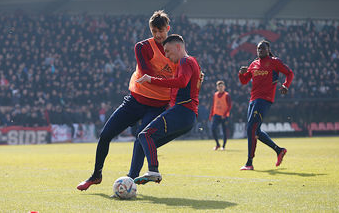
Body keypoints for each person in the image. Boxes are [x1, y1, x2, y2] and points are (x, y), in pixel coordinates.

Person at [77, 10, 177, 191]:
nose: (158, 35)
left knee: (141, 138)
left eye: (161, 31)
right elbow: (148, 74)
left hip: (157, 106)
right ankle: (96, 175)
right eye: (154, 31)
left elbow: (184, 76)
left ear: (168, 29)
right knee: (105, 135)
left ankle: (130, 180)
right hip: (135, 102)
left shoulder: (177, 50)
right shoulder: (142, 47)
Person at [133, 34, 202, 184]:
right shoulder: (193, 62)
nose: (167, 56)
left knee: (145, 135)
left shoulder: (185, 61)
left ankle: (153, 171)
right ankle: (131, 179)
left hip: (183, 111)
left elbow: (182, 82)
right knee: (143, 142)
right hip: (187, 116)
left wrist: (151, 80)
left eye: (168, 51)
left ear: (178, 47)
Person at [238, 40, 294, 170]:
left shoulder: (274, 62)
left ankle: (249, 162)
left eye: (262, 49)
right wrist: (241, 74)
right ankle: (279, 150)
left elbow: (289, 73)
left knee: (251, 128)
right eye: (258, 49)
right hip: (253, 100)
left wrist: (286, 85)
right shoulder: (253, 64)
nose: (260, 51)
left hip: (264, 99)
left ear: (268, 50)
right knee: (255, 131)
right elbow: (244, 81)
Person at [209, 80, 232, 150]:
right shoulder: (215, 95)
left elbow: (229, 106)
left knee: (224, 130)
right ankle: (217, 144)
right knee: (213, 129)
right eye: (219, 86)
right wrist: (211, 115)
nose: (220, 88)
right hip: (216, 115)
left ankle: (223, 146)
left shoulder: (227, 95)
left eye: (222, 86)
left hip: (224, 116)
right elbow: (213, 105)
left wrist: (224, 114)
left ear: (224, 87)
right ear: (217, 87)